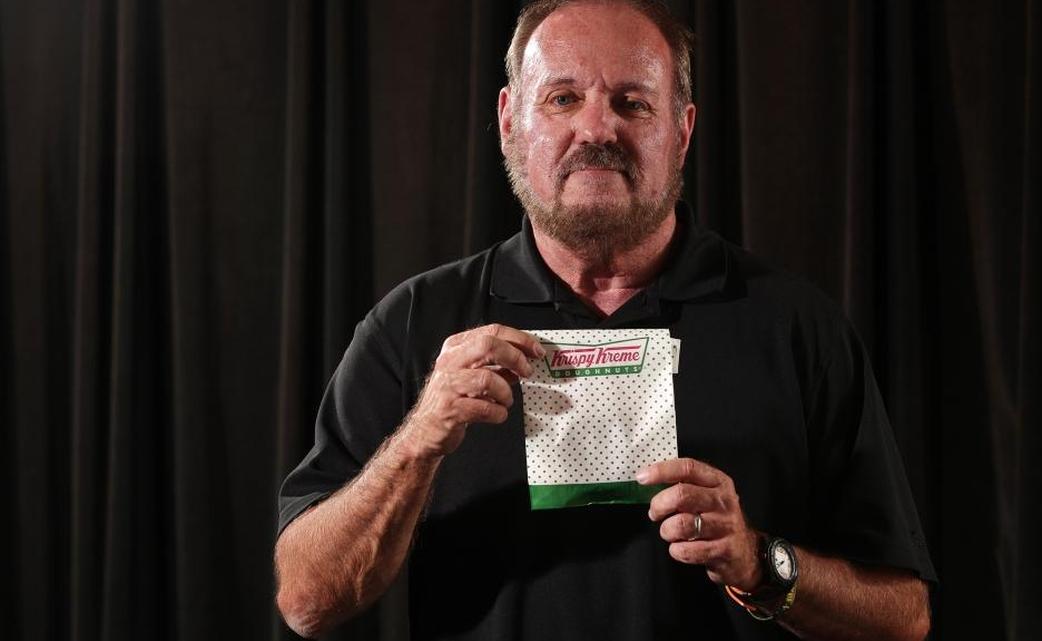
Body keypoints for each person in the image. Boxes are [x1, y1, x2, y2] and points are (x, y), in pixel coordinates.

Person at [274, 1, 936, 639]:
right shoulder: (416, 322)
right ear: (509, 121)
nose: (596, 130)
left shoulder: (795, 326)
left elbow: (903, 616)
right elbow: (305, 601)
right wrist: (418, 441)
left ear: (682, 129)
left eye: (632, 102)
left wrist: (761, 563)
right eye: (562, 98)